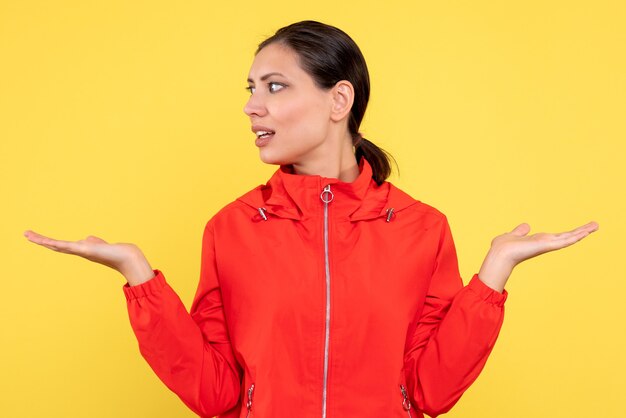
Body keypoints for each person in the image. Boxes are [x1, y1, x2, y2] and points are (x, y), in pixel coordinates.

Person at [24, 20, 598, 418]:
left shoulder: (422, 228)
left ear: (338, 101)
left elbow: (431, 390)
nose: (253, 105)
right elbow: (215, 393)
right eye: (251, 89)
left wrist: (494, 274)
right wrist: (139, 278)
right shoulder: (232, 227)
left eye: (275, 87)